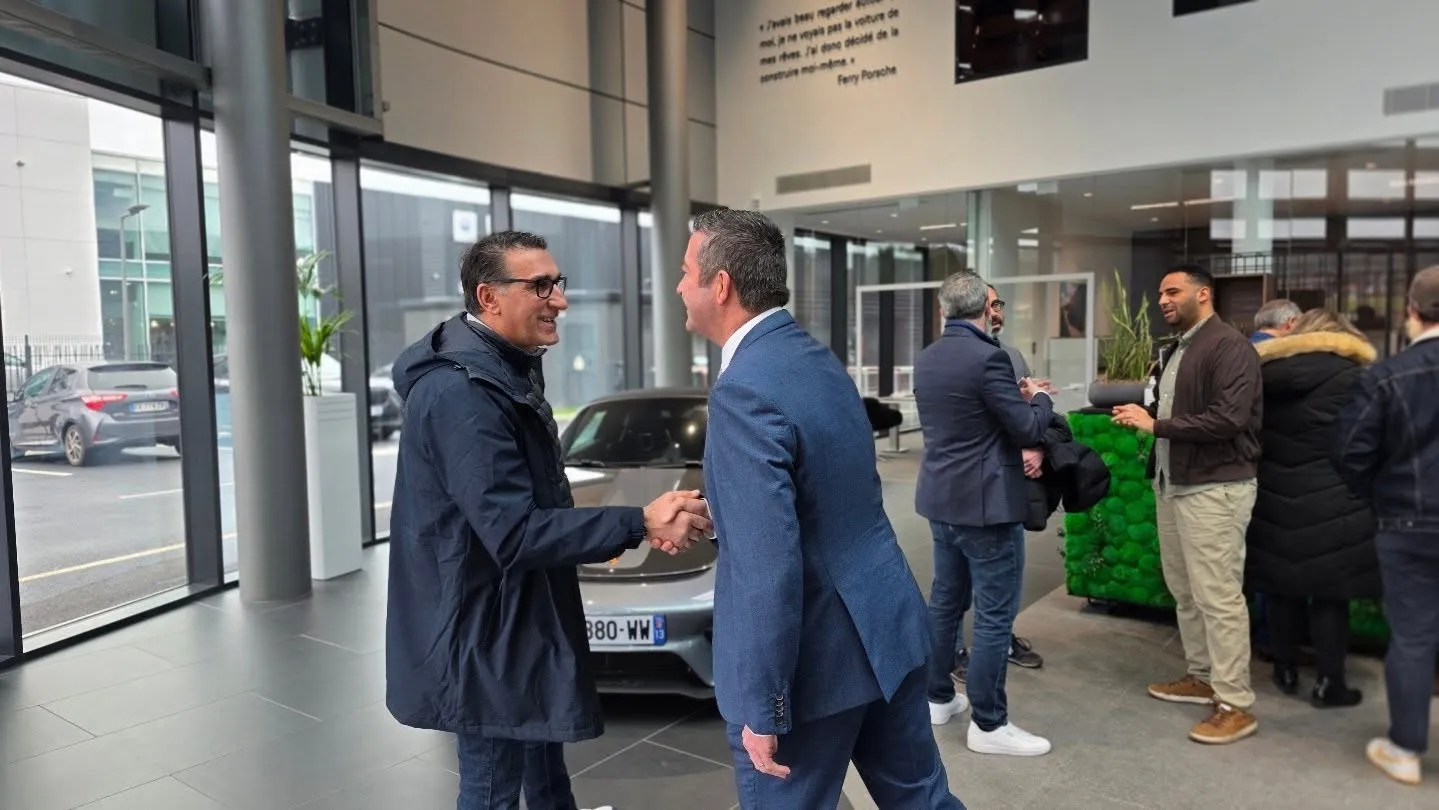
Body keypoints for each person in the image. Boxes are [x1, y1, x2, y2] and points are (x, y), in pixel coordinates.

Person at [384, 230, 713, 810]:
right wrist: (639, 522)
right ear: (489, 297)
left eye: (557, 283)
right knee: (492, 786)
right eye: (540, 286)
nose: (559, 299)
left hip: (515, 617)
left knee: (544, 772)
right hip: (484, 631)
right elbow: (513, 532)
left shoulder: (504, 367)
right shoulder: (463, 394)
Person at [676, 209, 964, 809]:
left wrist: (765, 703)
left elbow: (767, 565)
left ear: (720, 285)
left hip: (813, 669)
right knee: (923, 799)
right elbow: (829, 493)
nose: (679, 287)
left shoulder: (742, 389)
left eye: (685, 272)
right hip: (885, 630)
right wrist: (726, 513)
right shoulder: (814, 359)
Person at [1112, 263, 1263, 745]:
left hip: (1214, 488)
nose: (1163, 300)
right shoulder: (1180, 347)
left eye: (1172, 291)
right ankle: (1203, 676)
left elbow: (1228, 419)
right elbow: (1182, 410)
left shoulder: (1229, 346)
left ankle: (1235, 703)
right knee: (1186, 590)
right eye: (1160, 293)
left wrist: (1155, 425)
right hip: (1174, 483)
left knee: (1218, 596)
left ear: (1203, 294)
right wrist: (1147, 414)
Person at [914, 271, 1055, 757]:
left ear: (944, 310)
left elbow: (965, 420)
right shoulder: (990, 358)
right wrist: (1038, 397)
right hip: (986, 507)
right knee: (995, 614)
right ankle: (990, 724)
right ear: (984, 309)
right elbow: (1027, 429)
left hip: (941, 502)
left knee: (945, 602)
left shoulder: (928, 358)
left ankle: (937, 699)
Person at [1333, 264, 1439, 786]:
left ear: (1411, 311)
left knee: (1414, 637)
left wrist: (1378, 494)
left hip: (1408, 522)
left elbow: (1349, 451)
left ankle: (1405, 750)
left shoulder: (1386, 376)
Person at [1246, 308, 1379, 707]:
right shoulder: (1357, 377)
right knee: (1330, 596)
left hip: (1273, 495)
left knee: (1283, 588)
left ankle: (1284, 670)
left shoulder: (1265, 374)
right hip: (1337, 499)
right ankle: (1329, 683)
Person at [945, 285, 1044, 683]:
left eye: (998, 304)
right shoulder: (950, 357)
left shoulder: (1012, 356)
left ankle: (1001, 640)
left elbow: (1024, 414)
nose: (995, 311)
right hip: (965, 487)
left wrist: (1036, 446)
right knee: (956, 581)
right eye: (988, 305)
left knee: (1008, 573)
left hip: (1006, 484)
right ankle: (954, 652)